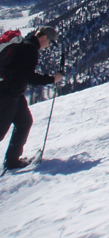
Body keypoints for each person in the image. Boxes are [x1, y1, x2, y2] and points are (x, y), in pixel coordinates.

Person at [0, 26, 63, 170]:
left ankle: (12, 161)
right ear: (43, 38)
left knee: (24, 122)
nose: (49, 46)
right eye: (50, 42)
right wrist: (52, 79)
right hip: (7, 94)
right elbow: (27, 76)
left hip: (14, 93)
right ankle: (12, 161)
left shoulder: (25, 45)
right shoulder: (29, 50)